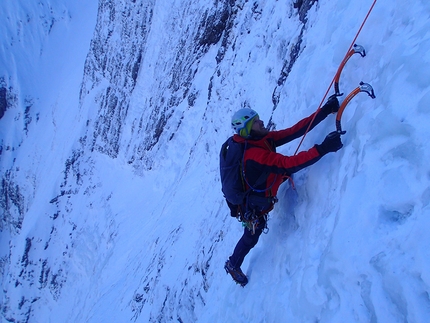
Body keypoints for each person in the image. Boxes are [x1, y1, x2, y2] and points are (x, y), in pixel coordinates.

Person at [224, 96, 343, 286]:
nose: (261, 121)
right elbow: (288, 164)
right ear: (248, 129)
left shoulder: (261, 139)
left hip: (261, 187)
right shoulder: (254, 155)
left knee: (279, 172)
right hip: (254, 207)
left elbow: (294, 131)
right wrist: (323, 149)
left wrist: (324, 110)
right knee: (252, 236)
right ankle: (233, 263)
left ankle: (233, 263)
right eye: (256, 121)